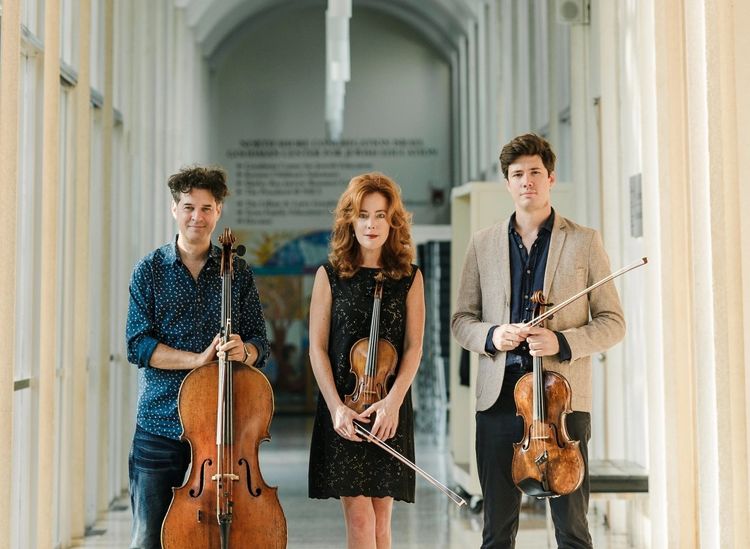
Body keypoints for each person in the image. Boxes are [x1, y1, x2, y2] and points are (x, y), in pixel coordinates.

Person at [451, 133, 626, 549]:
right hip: (498, 403)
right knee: (497, 530)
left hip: (561, 405)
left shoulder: (584, 242)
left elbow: (613, 322)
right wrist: (494, 334)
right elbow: (462, 321)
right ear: (507, 183)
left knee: (573, 531)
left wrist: (561, 342)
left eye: (534, 172)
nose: (526, 180)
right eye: (517, 174)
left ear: (550, 177)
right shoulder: (482, 243)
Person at [125, 165, 268, 549]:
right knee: (147, 538)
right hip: (161, 421)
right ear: (174, 209)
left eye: (206, 208)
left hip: (225, 427)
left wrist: (246, 351)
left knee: (225, 536)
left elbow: (260, 342)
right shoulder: (149, 271)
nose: (197, 217)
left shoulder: (237, 272)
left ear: (218, 211)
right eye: (189, 207)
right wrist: (198, 360)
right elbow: (137, 346)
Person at [308, 172, 425, 549]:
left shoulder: (410, 277)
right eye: (363, 215)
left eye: (380, 215)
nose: (371, 224)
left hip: (388, 411)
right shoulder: (329, 276)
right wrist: (336, 408)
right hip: (345, 412)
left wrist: (392, 402)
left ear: (393, 222)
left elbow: (413, 348)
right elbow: (317, 349)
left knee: (382, 524)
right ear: (349, 220)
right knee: (360, 521)